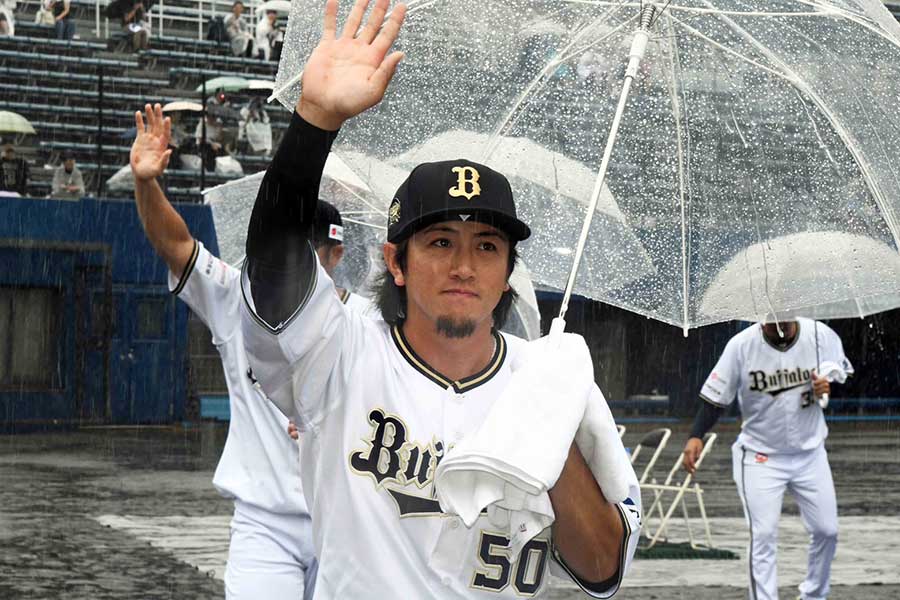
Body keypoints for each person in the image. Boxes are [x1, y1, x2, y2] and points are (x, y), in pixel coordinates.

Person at [238, 1, 640, 597]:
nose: (462, 265)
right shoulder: (341, 354)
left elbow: (603, 567)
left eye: (486, 246)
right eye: (440, 240)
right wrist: (315, 123)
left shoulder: (556, 382)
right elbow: (274, 265)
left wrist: (550, 424)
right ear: (395, 261)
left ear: (508, 273)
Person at [128, 104, 379, 600]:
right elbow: (177, 246)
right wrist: (146, 185)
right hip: (266, 522)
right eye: (291, 254)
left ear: (337, 254)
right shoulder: (236, 296)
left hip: (349, 520)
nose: (300, 267)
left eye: (312, 255)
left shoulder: (369, 322)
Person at [682, 318, 853, 600]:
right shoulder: (741, 345)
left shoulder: (819, 334)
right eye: (770, 320)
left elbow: (841, 372)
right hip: (760, 457)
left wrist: (828, 386)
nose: (778, 324)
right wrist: (696, 435)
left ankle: (814, 595)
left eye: (784, 317)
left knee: (827, 531)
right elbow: (715, 398)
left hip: (810, 453)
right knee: (763, 535)